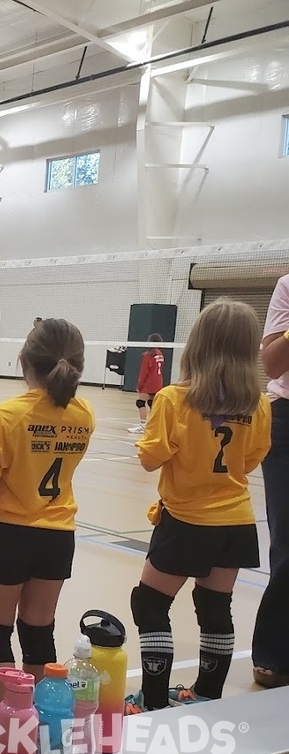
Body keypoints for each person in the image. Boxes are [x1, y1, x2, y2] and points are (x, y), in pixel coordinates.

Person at [125, 300, 270, 713]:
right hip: (236, 521)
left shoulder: (174, 399)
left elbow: (151, 457)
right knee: (214, 606)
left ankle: (153, 702)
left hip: (186, 521)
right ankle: (207, 695)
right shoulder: (258, 404)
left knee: (150, 604)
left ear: (198, 345)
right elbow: (252, 457)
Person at [0, 319, 94, 684]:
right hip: (58, 537)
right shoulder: (84, 415)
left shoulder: (3, 417)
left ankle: (0, 727)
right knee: (38, 634)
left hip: (8, 535)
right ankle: (36, 723)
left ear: (22, 360)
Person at [254, 277, 289, 690]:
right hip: (286, 421)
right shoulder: (286, 286)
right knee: (287, 544)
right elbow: (273, 363)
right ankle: (274, 654)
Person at [129, 333, 166, 434]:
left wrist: (139, 385)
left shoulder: (148, 355)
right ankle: (154, 425)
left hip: (149, 382)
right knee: (152, 403)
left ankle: (143, 425)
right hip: (158, 382)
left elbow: (144, 372)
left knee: (140, 402)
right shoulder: (160, 354)